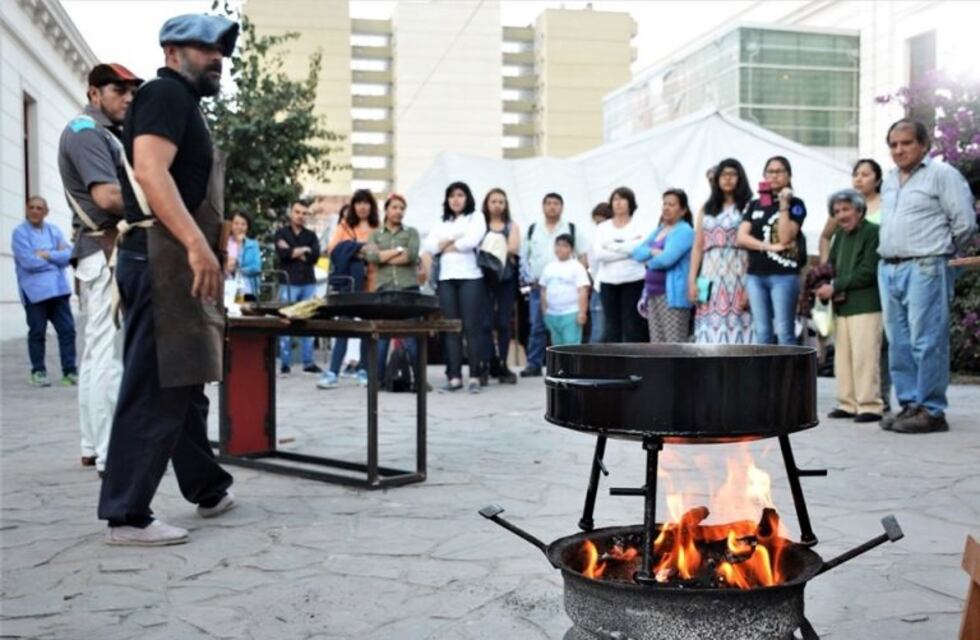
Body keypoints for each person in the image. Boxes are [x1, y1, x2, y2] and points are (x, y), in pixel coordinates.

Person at [98, 14, 239, 546]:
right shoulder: (164, 94)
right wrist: (199, 245)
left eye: (221, 50)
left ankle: (208, 488)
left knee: (184, 381)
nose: (217, 58)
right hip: (162, 254)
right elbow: (152, 173)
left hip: (171, 255)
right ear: (172, 50)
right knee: (156, 385)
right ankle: (126, 514)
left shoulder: (185, 105)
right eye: (207, 48)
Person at [58, 62, 141, 473]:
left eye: (131, 91)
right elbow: (108, 197)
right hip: (104, 248)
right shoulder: (86, 132)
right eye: (118, 89)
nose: (127, 97)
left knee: (97, 355)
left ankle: (93, 443)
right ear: (94, 94)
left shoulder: (98, 132)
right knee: (108, 357)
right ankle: (111, 451)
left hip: (98, 251)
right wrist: (158, 203)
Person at [877, 119, 976, 434]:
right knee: (899, 342)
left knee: (927, 340)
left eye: (906, 143)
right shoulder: (890, 180)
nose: (899, 150)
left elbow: (964, 222)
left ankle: (932, 409)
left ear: (924, 145)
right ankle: (909, 404)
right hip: (889, 267)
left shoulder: (943, 174)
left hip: (926, 265)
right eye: (893, 144)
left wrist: (941, 253)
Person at [819, 158, 890, 408]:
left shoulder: (872, 232)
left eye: (846, 210)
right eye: (837, 212)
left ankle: (869, 404)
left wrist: (835, 286)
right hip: (843, 306)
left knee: (865, 357)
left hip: (867, 304)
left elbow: (868, 271)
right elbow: (833, 266)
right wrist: (821, 283)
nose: (841, 215)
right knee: (843, 358)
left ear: (859, 210)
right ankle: (847, 403)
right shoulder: (839, 236)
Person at [422, 182, 487, 393]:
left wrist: (446, 244)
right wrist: (454, 238)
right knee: (451, 328)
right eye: (451, 196)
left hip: (471, 277)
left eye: (460, 195)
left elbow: (472, 241)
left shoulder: (476, 217)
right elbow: (430, 246)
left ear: (467, 197)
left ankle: (475, 376)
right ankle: (454, 376)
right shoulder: (440, 221)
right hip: (446, 278)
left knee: (471, 327)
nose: (456, 199)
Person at [737, 156, 807, 345]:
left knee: (785, 331)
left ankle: (788, 374)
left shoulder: (797, 204)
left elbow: (785, 237)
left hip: (783, 275)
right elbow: (741, 237)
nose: (774, 176)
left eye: (780, 171)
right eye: (770, 171)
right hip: (756, 275)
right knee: (762, 332)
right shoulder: (755, 204)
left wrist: (784, 203)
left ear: (789, 175)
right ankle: (765, 374)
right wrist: (767, 247)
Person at [317, 189, 380, 388]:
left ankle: (364, 369)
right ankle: (334, 371)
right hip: (349, 285)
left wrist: (356, 249)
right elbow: (332, 250)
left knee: (367, 328)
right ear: (353, 206)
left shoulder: (378, 227)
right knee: (344, 326)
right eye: (358, 202)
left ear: (371, 206)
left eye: (366, 202)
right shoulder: (345, 226)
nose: (362, 206)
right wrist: (359, 248)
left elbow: (379, 252)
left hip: (372, 283)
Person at [12, 197, 77, 388]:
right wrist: (55, 261)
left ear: (46, 212)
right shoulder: (19, 233)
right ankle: (38, 372)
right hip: (35, 293)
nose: (34, 211)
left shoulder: (54, 230)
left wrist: (47, 254)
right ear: (26, 210)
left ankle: (70, 371)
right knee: (37, 333)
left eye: (39, 208)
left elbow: (69, 256)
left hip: (59, 291)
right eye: (31, 207)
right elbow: (28, 262)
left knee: (67, 332)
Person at [689, 158, 754, 344]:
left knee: (740, 322)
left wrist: (750, 287)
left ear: (740, 178)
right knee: (706, 321)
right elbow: (698, 246)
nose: (728, 179)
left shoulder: (749, 207)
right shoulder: (707, 208)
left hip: (739, 270)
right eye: (723, 175)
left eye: (733, 174)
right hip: (707, 273)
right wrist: (692, 280)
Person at [519, 192, 580, 376]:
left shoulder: (571, 229)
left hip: (567, 289)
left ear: (562, 207)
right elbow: (524, 257)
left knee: (567, 329)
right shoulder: (532, 230)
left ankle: (566, 365)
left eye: (556, 203)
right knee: (537, 326)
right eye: (548, 203)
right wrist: (527, 281)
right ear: (543, 206)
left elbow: (584, 255)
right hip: (540, 287)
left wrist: (576, 275)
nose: (552, 207)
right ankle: (534, 363)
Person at [362, 194, 421, 383]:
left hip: (408, 288)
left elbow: (411, 256)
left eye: (402, 208)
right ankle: (377, 380)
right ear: (386, 210)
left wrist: (384, 255)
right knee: (382, 336)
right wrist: (398, 250)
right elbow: (371, 257)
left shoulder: (411, 232)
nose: (398, 211)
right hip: (384, 289)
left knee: (412, 336)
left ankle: (418, 380)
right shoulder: (375, 235)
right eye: (394, 207)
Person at [632, 189, 695, 343]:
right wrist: (653, 251)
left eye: (671, 205)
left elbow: (667, 259)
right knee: (657, 342)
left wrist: (649, 262)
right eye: (664, 204)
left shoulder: (685, 231)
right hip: (653, 293)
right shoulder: (659, 230)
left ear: (683, 210)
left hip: (672, 296)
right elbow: (636, 252)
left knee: (674, 342)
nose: (666, 208)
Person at [593, 186, 648, 343]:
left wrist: (612, 245)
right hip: (608, 281)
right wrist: (627, 249)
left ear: (630, 203)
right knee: (611, 327)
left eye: (622, 199)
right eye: (615, 199)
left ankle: (634, 365)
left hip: (634, 279)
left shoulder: (640, 225)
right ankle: (612, 365)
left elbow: (640, 251)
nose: (618, 203)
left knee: (632, 326)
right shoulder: (603, 228)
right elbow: (599, 254)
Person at [275, 200, 321, 375]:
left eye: (304, 213)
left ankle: (308, 363)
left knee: (308, 322)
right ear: (291, 213)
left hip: (308, 282)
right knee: (286, 321)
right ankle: (285, 363)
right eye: (297, 212)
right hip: (288, 282)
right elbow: (283, 254)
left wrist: (294, 251)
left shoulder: (311, 235)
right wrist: (304, 250)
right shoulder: (281, 233)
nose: (300, 216)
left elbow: (315, 257)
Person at [480, 188, 520, 384]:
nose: (497, 205)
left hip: (505, 278)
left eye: (501, 201)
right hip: (485, 278)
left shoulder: (512, 225)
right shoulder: (479, 224)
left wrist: (490, 248)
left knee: (504, 323)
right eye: (493, 201)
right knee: (485, 323)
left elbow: (513, 247)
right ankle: (488, 362)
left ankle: (503, 363)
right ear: (487, 204)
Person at [540, 234, 590, 346]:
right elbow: (543, 290)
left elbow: (582, 290)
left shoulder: (577, 267)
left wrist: (582, 312)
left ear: (571, 249)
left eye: (564, 246)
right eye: (557, 245)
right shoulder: (549, 267)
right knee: (556, 346)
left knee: (571, 346)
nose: (560, 248)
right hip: (552, 314)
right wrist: (545, 311)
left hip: (571, 313)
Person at [585, 202, 613, 343]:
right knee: (598, 332)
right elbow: (593, 265)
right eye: (597, 223)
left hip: (619, 288)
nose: (600, 226)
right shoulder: (594, 240)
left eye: (602, 222)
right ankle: (591, 365)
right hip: (600, 287)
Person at [225, 211, 262, 301]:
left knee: (243, 308)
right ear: (231, 225)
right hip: (226, 287)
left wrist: (237, 269)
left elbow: (256, 267)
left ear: (247, 227)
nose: (239, 227)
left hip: (247, 288)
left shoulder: (253, 245)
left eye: (243, 224)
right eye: (236, 223)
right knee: (228, 308)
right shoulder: (224, 243)